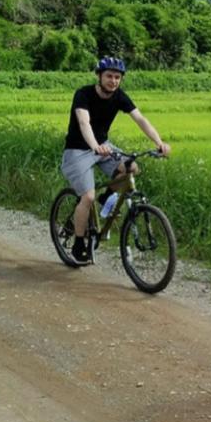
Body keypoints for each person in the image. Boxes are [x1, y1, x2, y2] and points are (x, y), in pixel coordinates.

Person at [61, 56, 171, 265]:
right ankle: (78, 242)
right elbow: (84, 123)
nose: (113, 81)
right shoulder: (83, 94)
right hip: (78, 150)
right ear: (99, 76)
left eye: (117, 77)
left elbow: (140, 119)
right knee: (87, 197)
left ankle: (107, 198)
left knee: (131, 168)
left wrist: (160, 143)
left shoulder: (119, 96)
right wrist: (95, 146)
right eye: (109, 76)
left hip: (103, 147)